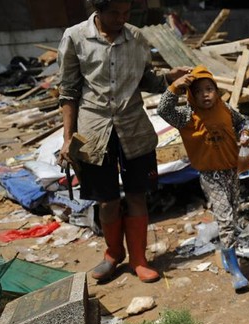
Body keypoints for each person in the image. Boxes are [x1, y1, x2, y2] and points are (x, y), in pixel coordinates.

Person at [57, 0, 189, 283]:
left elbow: (146, 81)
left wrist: (169, 78)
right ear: (97, 9)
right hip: (93, 132)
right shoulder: (75, 37)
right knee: (107, 201)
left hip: (134, 128)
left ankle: (139, 259)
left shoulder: (137, 38)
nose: (122, 18)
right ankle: (113, 254)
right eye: (115, 13)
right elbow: (68, 91)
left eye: (127, 12)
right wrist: (68, 139)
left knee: (137, 195)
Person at [157, 65, 249, 292]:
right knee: (226, 219)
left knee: (235, 213)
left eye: (209, 89)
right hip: (211, 175)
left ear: (217, 91)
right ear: (190, 94)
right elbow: (163, 110)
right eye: (198, 91)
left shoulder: (226, 109)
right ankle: (236, 271)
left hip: (231, 171)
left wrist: (245, 134)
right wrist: (174, 87)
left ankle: (228, 256)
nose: (205, 94)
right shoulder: (187, 116)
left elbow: (242, 123)